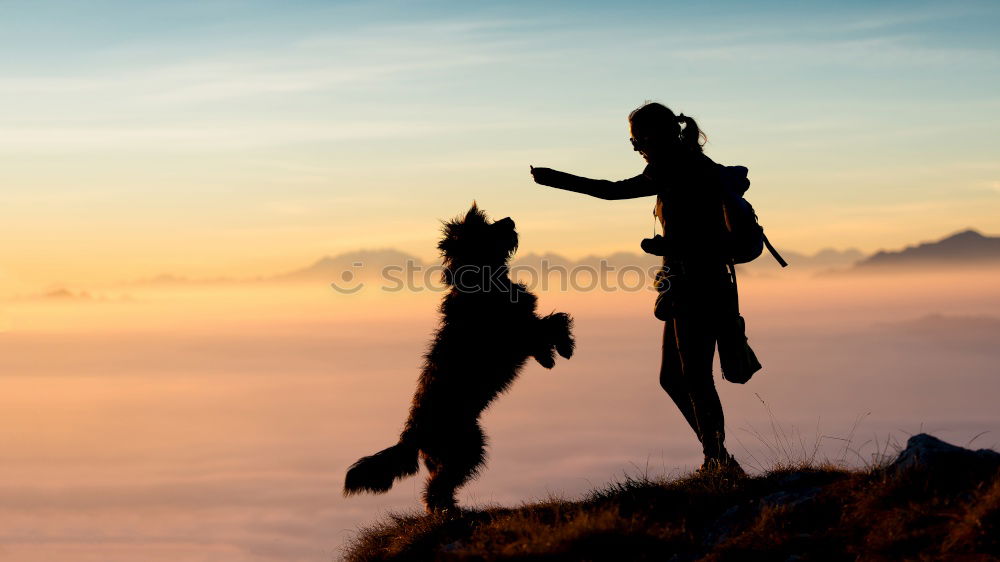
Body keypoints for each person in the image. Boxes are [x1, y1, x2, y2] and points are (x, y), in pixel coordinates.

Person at [530, 102, 744, 474]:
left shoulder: (676, 166)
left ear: (654, 134)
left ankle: (718, 461)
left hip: (697, 283)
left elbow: (613, 192)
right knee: (675, 378)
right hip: (695, 283)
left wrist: (557, 179)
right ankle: (718, 457)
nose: (636, 148)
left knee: (691, 377)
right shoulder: (692, 165)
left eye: (636, 140)